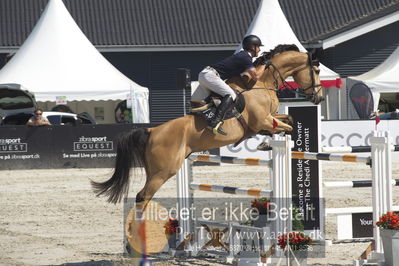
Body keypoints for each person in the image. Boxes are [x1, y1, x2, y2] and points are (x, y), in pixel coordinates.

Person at [192, 35, 268, 135]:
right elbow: (256, 76)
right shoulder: (246, 57)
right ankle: (215, 122)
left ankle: (202, 119)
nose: (259, 50)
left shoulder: (243, 56)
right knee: (231, 95)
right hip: (210, 76)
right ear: (252, 47)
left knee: (211, 101)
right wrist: (264, 64)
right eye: (258, 47)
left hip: (206, 75)